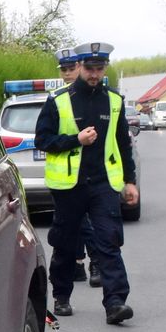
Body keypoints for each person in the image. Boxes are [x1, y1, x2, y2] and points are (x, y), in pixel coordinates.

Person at [35, 42, 138, 324]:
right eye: (90, 68)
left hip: (103, 184)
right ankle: (62, 295)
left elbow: (122, 145)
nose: (95, 74)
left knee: (109, 242)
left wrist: (130, 181)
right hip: (69, 186)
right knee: (66, 244)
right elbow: (42, 140)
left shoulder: (114, 101)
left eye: (100, 68)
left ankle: (115, 302)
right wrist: (75, 140)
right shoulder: (59, 100)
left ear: (105, 68)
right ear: (79, 67)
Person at [53, 48, 101, 288]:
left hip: (89, 171)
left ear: (80, 68)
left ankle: (93, 262)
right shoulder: (58, 98)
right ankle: (80, 263)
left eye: (72, 68)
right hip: (65, 174)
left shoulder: (89, 96)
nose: (68, 73)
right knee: (76, 222)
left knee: (85, 221)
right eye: (64, 69)